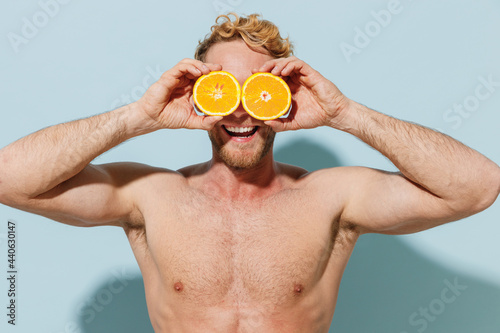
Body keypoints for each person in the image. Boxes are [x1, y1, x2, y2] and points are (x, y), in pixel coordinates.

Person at [0, 12, 499, 332]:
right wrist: (137, 117)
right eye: (224, 90)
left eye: (260, 92)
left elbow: (478, 188)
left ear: (284, 98)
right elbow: (9, 178)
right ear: (196, 95)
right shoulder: (149, 195)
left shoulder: (333, 197)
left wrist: (345, 114)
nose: (241, 112)